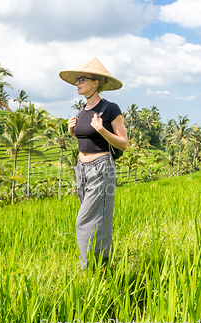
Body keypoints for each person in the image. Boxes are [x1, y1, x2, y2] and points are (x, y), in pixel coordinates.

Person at [59, 58, 128, 270]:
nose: (77, 83)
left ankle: (88, 270)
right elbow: (86, 140)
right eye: (77, 80)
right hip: (82, 169)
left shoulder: (109, 108)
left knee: (86, 221)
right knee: (94, 221)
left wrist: (101, 129)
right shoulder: (83, 109)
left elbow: (123, 143)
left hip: (101, 168)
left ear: (95, 82)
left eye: (82, 79)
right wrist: (73, 131)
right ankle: (101, 269)